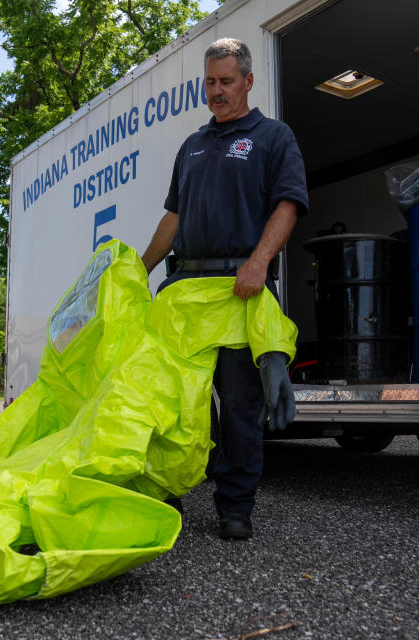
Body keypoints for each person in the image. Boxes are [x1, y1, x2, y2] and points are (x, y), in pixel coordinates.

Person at [140, 38, 308, 540]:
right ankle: (166, 496)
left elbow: (288, 204)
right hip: (186, 291)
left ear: (248, 81)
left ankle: (235, 507)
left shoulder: (273, 137)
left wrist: (259, 262)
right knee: (174, 404)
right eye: (210, 82)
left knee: (238, 408)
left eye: (226, 81)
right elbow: (174, 215)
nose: (216, 91)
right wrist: (141, 268)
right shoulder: (191, 145)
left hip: (239, 292)